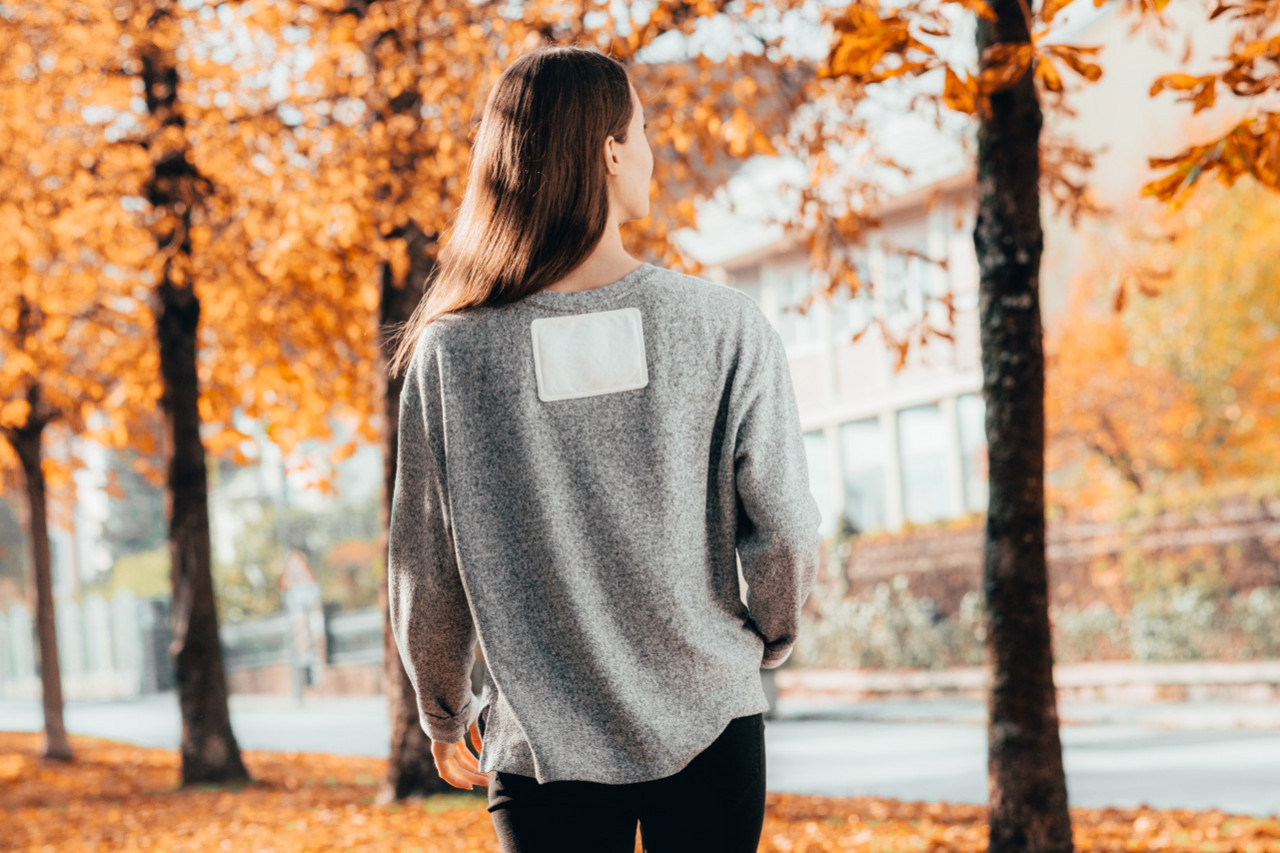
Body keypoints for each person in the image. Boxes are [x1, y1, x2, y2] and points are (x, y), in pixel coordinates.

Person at [385, 43, 822, 853]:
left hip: (541, 744)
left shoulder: (451, 355)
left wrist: (443, 708)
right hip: (711, 716)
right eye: (645, 129)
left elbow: (423, 561)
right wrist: (770, 634)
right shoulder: (723, 326)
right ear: (610, 152)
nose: (651, 151)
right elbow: (786, 527)